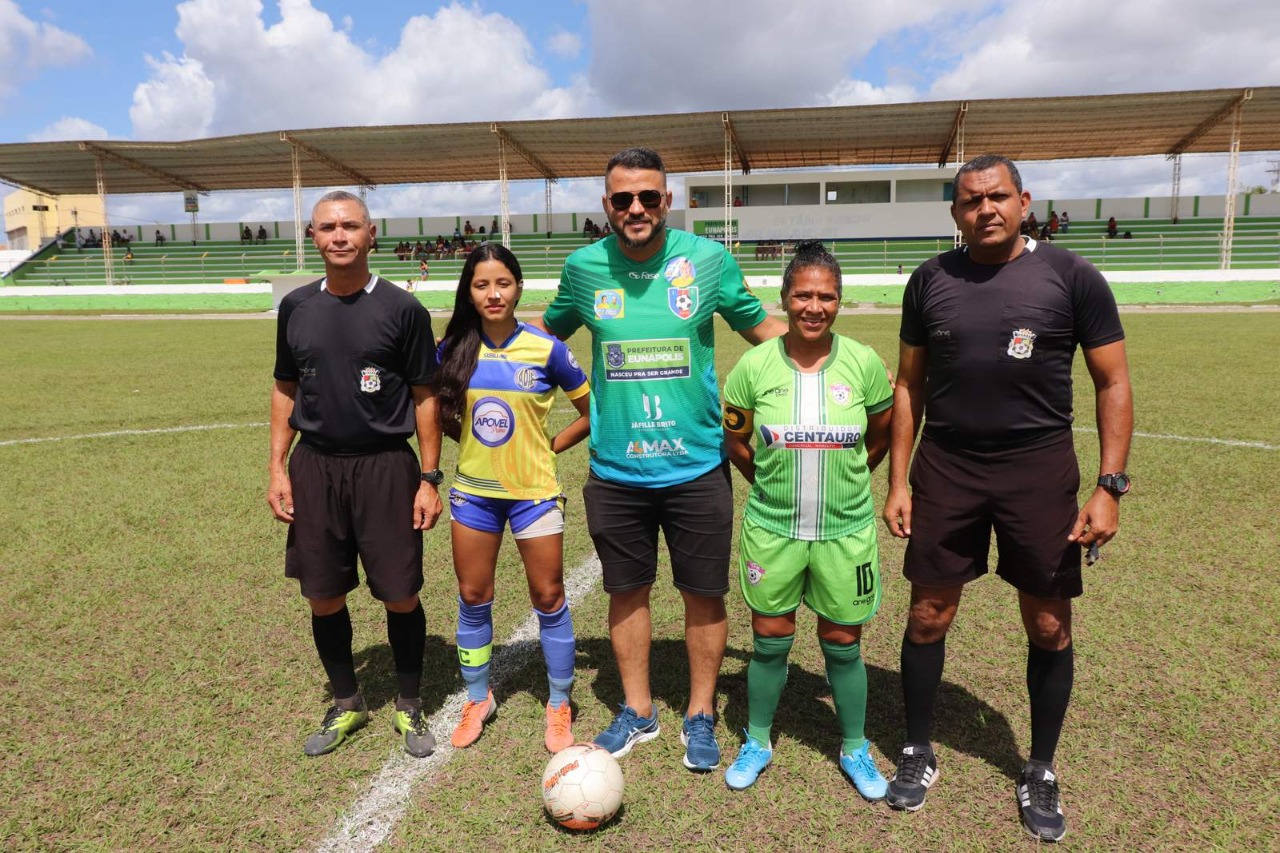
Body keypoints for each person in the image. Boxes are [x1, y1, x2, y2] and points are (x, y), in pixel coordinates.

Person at [881, 154, 1133, 842]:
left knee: (1049, 624)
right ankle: (917, 748)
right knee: (929, 611)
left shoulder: (1070, 275)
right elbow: (909, 385)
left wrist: (1109, 486)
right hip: (948, 466)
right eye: (970, 200)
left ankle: (1040, 765)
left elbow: (1112, 380)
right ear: (955, 212)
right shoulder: (930, 279)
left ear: (1024, 201)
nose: (984, 208)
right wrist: (899, 478)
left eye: (997, 196)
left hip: (1038, 470)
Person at [536, 147, 785, 771]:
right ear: (607, 206)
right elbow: (540, 342)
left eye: (649, 197)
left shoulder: (707, 261)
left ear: (668, 200)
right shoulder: (584, 269)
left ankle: (700, 714)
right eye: (623, 199)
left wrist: (841, 356)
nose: (637, 208)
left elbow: (764, 332)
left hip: (698, 463)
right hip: (616, 471)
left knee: (704, 594)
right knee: (627, 591)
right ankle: (639, 709)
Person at [268, 189, 445, 759]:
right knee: (322, 594)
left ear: (372, 235)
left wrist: (429, 477)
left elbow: (425, 398)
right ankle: (347, 702)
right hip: (315, 467)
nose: (338, 236)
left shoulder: (403, 310)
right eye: (327, 227)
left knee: (400, 593)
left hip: (385, 469)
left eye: (350, 226)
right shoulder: (296, 307)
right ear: (313, 237)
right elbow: (284, 388)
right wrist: (277, 466)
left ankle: (410, 704)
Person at [720, 241, 893, 799]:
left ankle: (855, 748)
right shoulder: (753, 366)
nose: (813, 306)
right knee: (770, 638)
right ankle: (759, 739)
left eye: (825, 296)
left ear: (839, 301)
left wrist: (852, 479)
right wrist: (770, 485)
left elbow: (882, 432)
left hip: (846, 532)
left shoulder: (864, 363)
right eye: (803, 295)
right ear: (784, 298)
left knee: (843, 641)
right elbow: (736, 439)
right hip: (773, 529)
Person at [435, 244, 592, 753]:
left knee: (549, 597)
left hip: (534, 494)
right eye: (481, 285)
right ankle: (478, 698)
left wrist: (551, 444)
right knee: (474, 596)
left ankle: (559, 703)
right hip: (475, 496)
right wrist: (469, 446)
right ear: (469, 292)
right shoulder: (452, 350)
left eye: (502, 283)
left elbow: (593, 410)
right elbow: (434, 410)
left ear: (518, 287)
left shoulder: (546, 349)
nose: (493, 293)